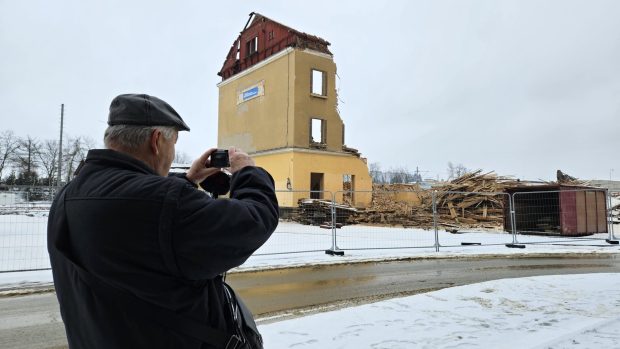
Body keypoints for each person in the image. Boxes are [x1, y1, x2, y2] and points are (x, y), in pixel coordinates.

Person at [47, 93, 279, 349]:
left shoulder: (67, 197)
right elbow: (255, 220)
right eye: (174, 143)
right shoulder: (166, 202)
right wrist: (248, 171)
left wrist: (189, 179)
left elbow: (142, 220)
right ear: (157, 141)